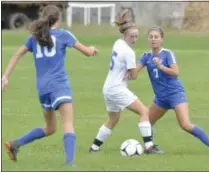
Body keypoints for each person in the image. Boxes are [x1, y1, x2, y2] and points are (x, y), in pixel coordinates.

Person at [2, 5, 98, 165]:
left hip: (43, 88)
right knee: (67, 123)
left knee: (51, 128)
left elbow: (17, 53)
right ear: (58, 19)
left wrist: (5, 76)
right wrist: (93, 49)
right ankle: (70, 163)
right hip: (59, 85)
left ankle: (15, 144)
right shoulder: (63, 35)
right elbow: (87, 52)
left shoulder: (34, 37)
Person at [89, 10, 163, 154]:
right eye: (132, 37)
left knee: (113, 119)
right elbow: (134, 76)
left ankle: (94, 147)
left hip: (108, 88)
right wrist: (143, 62)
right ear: (125, 35)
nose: (134, 40)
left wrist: (129, 70)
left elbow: (128, 70)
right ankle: (148, 146)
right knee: (144, 111)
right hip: (117, 88)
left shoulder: (118, 43)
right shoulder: (129, 52)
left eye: (136, 37)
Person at [130, 26, 209, 150]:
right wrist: (127, 66)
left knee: (185, 124)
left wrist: (161, 66)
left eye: (156, 37)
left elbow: (176, 72)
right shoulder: (146, 56)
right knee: (146, 123)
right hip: (160, 98)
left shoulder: (167, 54)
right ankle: (150, 148)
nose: (153, 39)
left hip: (175, 94)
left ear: (162, 39)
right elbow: (133, 74)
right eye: (151, 37)